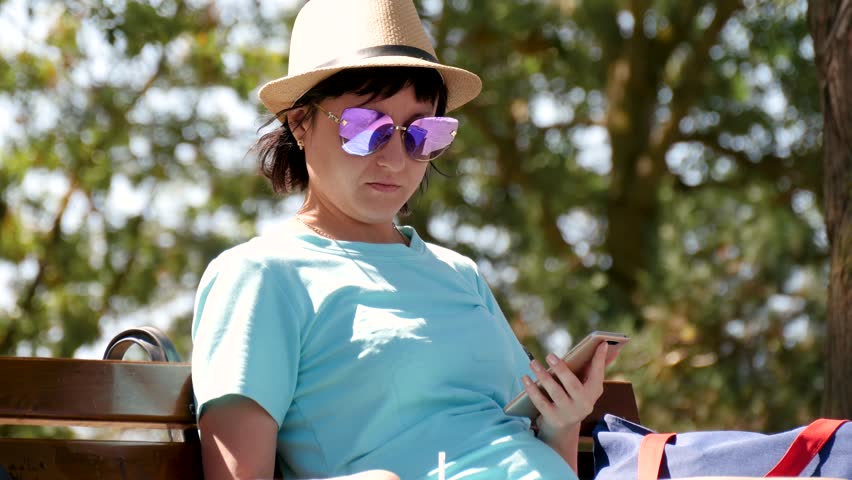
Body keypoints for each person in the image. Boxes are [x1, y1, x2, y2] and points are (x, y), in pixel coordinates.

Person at [190, 0, 609, 479]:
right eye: (367, 128)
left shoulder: (459, 274)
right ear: (300, 123)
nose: (395, 158)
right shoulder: (261, 275)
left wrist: (561, 424)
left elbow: (515, 453)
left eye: (422, 133)